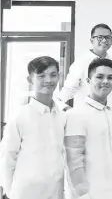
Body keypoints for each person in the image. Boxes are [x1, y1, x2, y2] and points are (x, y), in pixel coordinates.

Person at [0, 56, 67, 199]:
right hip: (25, 193)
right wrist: (9, 192)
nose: (48, 80)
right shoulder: (20, 116)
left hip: (56, 191)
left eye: (53, 75)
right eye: (41, 76)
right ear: (30, 80)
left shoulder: (63, 116)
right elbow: (7, 157)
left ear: (59, 77)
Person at [65, 58, 112, 199]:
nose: (105, 81)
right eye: (99, 77)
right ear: (88, 80)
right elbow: (72, 161)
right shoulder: (75, 115)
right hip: (89, 194)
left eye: (110, 77)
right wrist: (83, 194)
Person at [58, 23, 112, 109]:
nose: (104, 40)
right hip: (86, 115)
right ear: (91, 40)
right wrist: (65, 108)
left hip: (110, 115)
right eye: (100, 37)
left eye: (108, 37)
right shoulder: (81, 62)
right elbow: (68, 90)